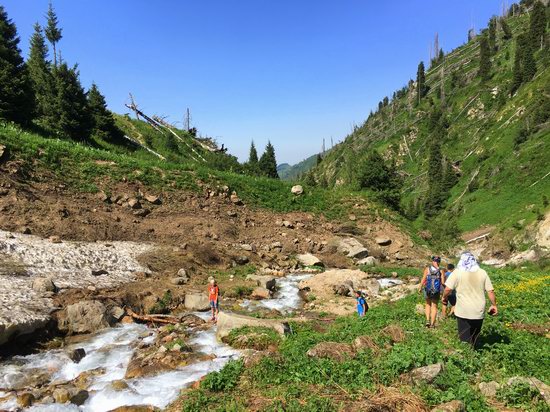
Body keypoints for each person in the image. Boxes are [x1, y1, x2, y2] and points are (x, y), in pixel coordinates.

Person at [442, 252, 497, 346]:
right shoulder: (482, 272)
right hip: (478, 309)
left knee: (464, 337)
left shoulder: (457, 272)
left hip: (463, 310)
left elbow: (447, 289)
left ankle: (467, 355)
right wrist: (494, 305)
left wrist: (444, 297)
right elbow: (490, 291)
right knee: (475, 335)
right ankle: (475, 351)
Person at [419, 256, 443, 328]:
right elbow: (442, 282)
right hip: (436, 290)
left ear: (432, 261)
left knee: (427, 304)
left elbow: (423, 278)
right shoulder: (441, 270)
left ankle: (427, 321)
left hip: (427, 289)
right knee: (434, 306)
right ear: (439, 262)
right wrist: (442, 292)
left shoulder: (427, 269)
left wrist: (420, 287)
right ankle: (432, 324)